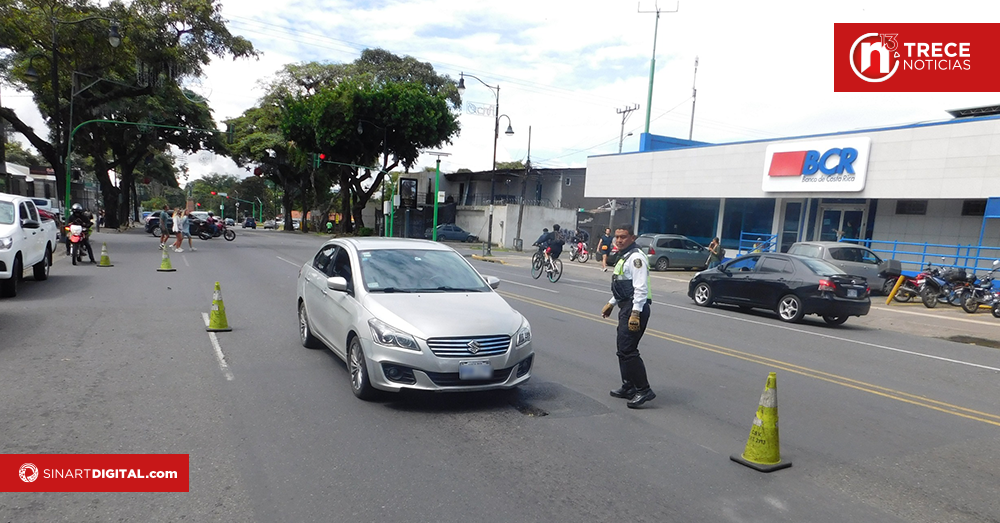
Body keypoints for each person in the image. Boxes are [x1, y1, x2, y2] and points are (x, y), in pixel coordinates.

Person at [600, 223, 655, 408]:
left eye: (623, 237)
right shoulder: (625, 257)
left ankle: (643, 389)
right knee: (621, 349)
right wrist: (612, 303)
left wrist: (635, 314)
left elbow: (640, 288)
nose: (619, 240)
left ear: (633, 238)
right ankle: (628, 386)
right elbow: (624, 286)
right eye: (617, 236)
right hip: (626, 306)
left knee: (628, 350)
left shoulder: (636, 258)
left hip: (635, 308)